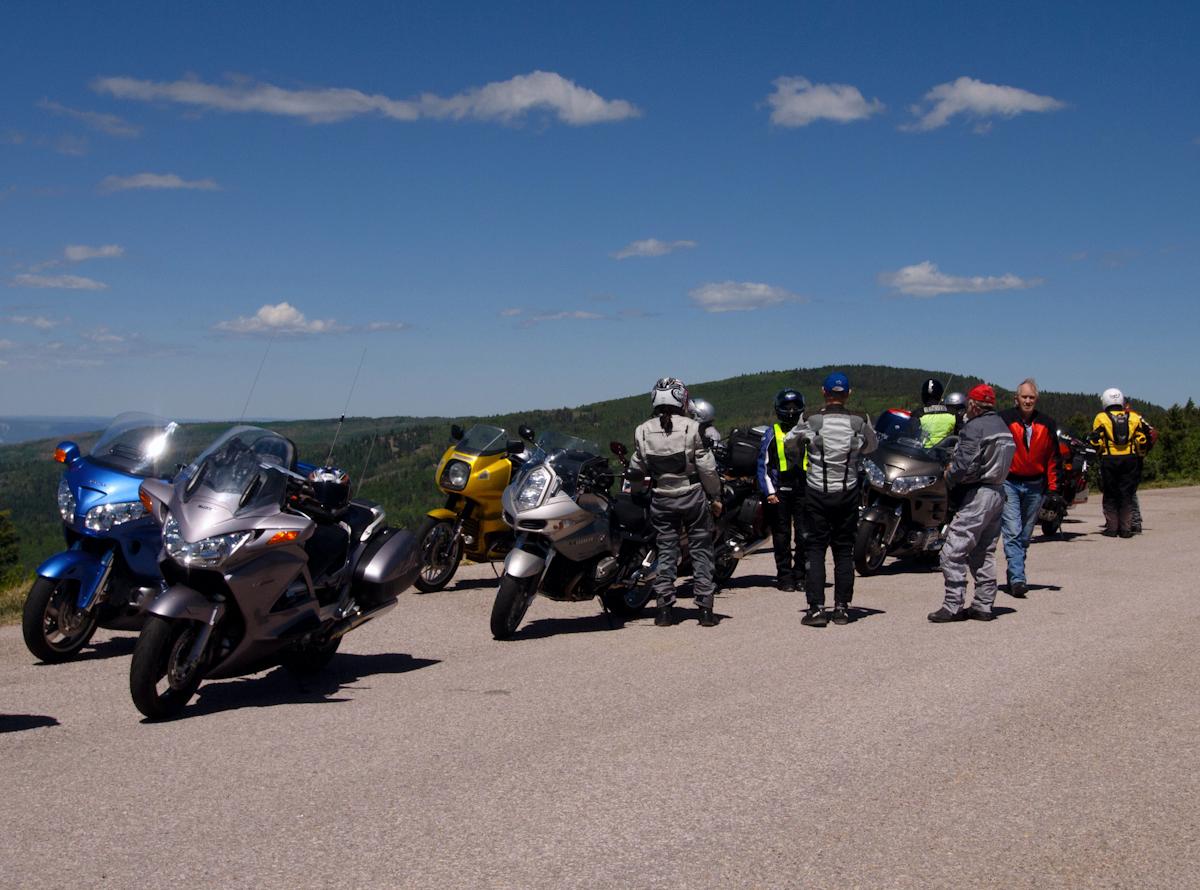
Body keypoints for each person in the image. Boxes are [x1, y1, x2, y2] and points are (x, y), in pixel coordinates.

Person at [628, 377, 723, 627]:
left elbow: (636, 468)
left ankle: (664, 610)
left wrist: (636, 493)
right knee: (701, 550)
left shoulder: (642, 430)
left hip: (661, 497)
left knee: (666, 552)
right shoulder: (693, 428)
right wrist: (715, 496)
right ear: (681, 399)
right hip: (691, 494)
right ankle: (705, 609)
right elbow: (707, 468)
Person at [786, 372, 876, 627]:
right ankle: (842, 608)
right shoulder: (859, 420)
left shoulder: (812, 419)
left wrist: (807, 445)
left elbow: (789, 440)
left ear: (823, 392)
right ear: (848, 394)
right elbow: (872, 446)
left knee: (815, 550)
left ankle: (816, 609)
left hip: (817, 492)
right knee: (843, 551)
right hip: (847, 493)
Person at [929, 384, 1016, 623]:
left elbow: (964, 465)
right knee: (984, 551)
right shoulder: (1004, 428)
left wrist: (948, 476)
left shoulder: (974, 428)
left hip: (978, 495)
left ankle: (953, 605)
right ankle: (983, 605)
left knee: (952, 551)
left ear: (974, 405)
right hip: (1000, 493)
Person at [998, 378, 1061, 598]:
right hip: (1010, 483)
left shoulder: (1047, 423)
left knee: (1025, 535)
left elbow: (1053, 458)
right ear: (1016, 398)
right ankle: (1018, 579)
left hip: (1036, 485)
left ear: (1036, 400)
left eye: (1031, 397)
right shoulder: (1004, 419)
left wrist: (1054, 490)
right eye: (1024, 397)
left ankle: (1014, 571)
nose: (1027, 401)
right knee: (1013, 531)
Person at [757, 389, 808, 591]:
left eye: (795, 406)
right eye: (787, 407)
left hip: (804, 488)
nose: (791, 410)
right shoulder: (772, 432)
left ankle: (801, 575)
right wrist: (769, 491)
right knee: (781, 535)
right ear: (779, 409)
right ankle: (784, 576)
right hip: (780, 490)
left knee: (804, 535)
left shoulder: (807, 431)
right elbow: (763, 465)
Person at [1089, 389, 1148, 538]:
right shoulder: (1134, 417)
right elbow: (1142, 437)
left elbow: (1096, 440)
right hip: (1130, 459)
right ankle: (1126, 529)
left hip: (1109, 459)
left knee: (1110, 493)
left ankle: (1112, 528)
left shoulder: (1101, 417)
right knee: (1126, 494)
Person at [1126, 399, 1156, 534]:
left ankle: (1135, 521)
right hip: (1134, 457)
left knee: (1128, 489)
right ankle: (1127, 519)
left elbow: (1153, 433)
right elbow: (1152, 433)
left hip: (1131, 458)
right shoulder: (1136, 417)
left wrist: (1141, 452)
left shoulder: (1133, 417)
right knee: (1127, 489)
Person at [913, 378, 956, 446]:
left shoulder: (917, 413)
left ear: (923, 396)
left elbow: (910, 435)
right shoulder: (953, 413)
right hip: (944, 454)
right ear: (941, 394)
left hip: (920, 453)